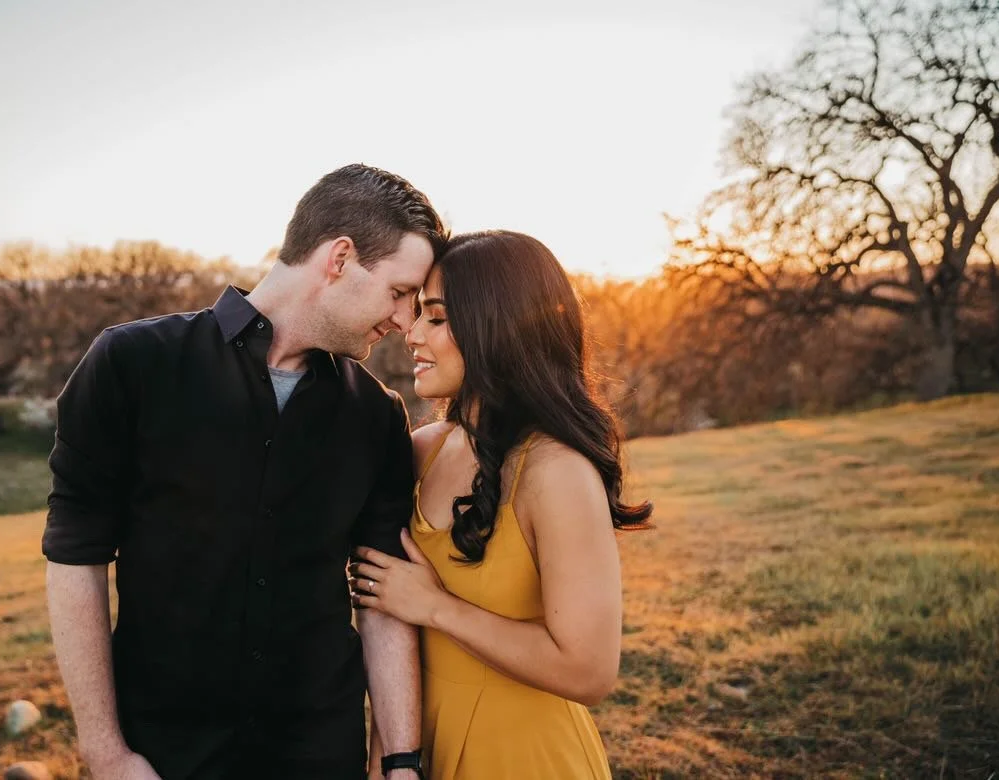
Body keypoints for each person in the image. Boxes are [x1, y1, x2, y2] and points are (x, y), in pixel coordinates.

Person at [42, 163, 448, 780]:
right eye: (398, 293)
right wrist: (106, 752)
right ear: (340, 258)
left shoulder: (376, 417)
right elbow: (76, 559)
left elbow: (379, 595)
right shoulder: (131, 366)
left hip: (318, 753)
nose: (402, 320)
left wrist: (400, 762)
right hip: (162, 755)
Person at [351, 230, 653, 780]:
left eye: (436, 318)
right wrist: (387, 761)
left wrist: (436, 606)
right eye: (417, 313)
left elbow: (589, 671)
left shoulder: (555, 471)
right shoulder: (421, 450)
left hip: (527, 756)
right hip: (425, 752)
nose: (411, 334)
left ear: (498, 328)